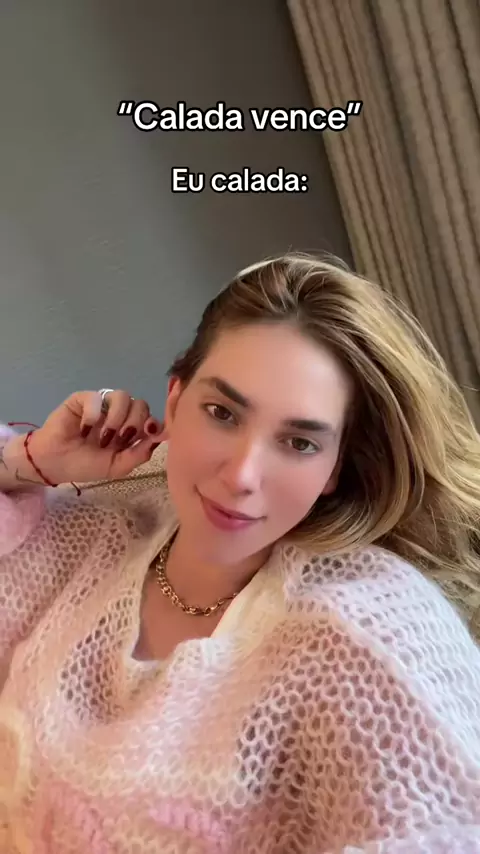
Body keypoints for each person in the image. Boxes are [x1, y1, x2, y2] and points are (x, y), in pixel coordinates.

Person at [1, 252, 480, 854]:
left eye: (299, 442)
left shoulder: (365, 634)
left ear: (335, 468)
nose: (242, 476)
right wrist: (29, 462)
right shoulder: (98, 535)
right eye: (222, 413)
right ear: (174, 401)